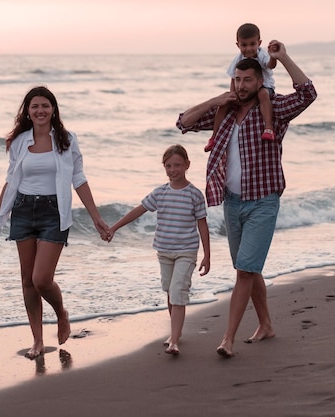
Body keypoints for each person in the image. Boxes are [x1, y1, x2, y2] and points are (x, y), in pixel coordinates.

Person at [176, 41, 317, 358]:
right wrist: (217, 99)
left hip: (263, 202)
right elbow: (183, 122)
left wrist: (283, 58)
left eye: (248, 80)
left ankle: (228, 338)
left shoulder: (275, 111)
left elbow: (308, 93)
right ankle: (266, 324)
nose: (241, 86)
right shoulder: (224, 114)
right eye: (237, 80)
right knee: (249, 269)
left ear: (260, 81)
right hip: (232, 202)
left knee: (243, 271)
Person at [0, 86, 110, 360]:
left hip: (54, 212)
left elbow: (79, 179)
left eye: (45, 105)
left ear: (53, 109)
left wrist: (96, 217)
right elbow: (10, 181)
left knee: (41, 279)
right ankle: (38, 340)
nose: (40, 111)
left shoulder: (66, 140)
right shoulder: (18, 142)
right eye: (34, 106)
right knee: (27, 281)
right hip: (23, 209)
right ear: (27, 112)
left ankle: (61, 312)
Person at [106, 144, 210, 356]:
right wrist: (114, 227)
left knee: (178, 291)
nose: (173, 169)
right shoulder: (160, 193)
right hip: (164, 251)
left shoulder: (195, 194)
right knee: (170, 292)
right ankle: (176, 332)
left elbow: (202, 224)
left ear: (187, 165)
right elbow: (139, 210)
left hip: (186, 251)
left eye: (178, 165)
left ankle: (174, 340)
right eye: (168, 165)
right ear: (164, 167)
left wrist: (207, 254)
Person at [204, 23, 277, 153]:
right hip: (245, 90)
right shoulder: (238, 59)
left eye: (252, 44)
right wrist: (232, 95)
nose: (248, 48)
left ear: (259, 43)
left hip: (265, 87)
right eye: (244, 45)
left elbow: (270, 65)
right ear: (238, 45)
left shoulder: (262, 55)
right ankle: (214, 137)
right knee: (225, 102)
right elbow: (233, 77)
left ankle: (268, 127)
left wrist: (274, 56)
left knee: (263, 94)